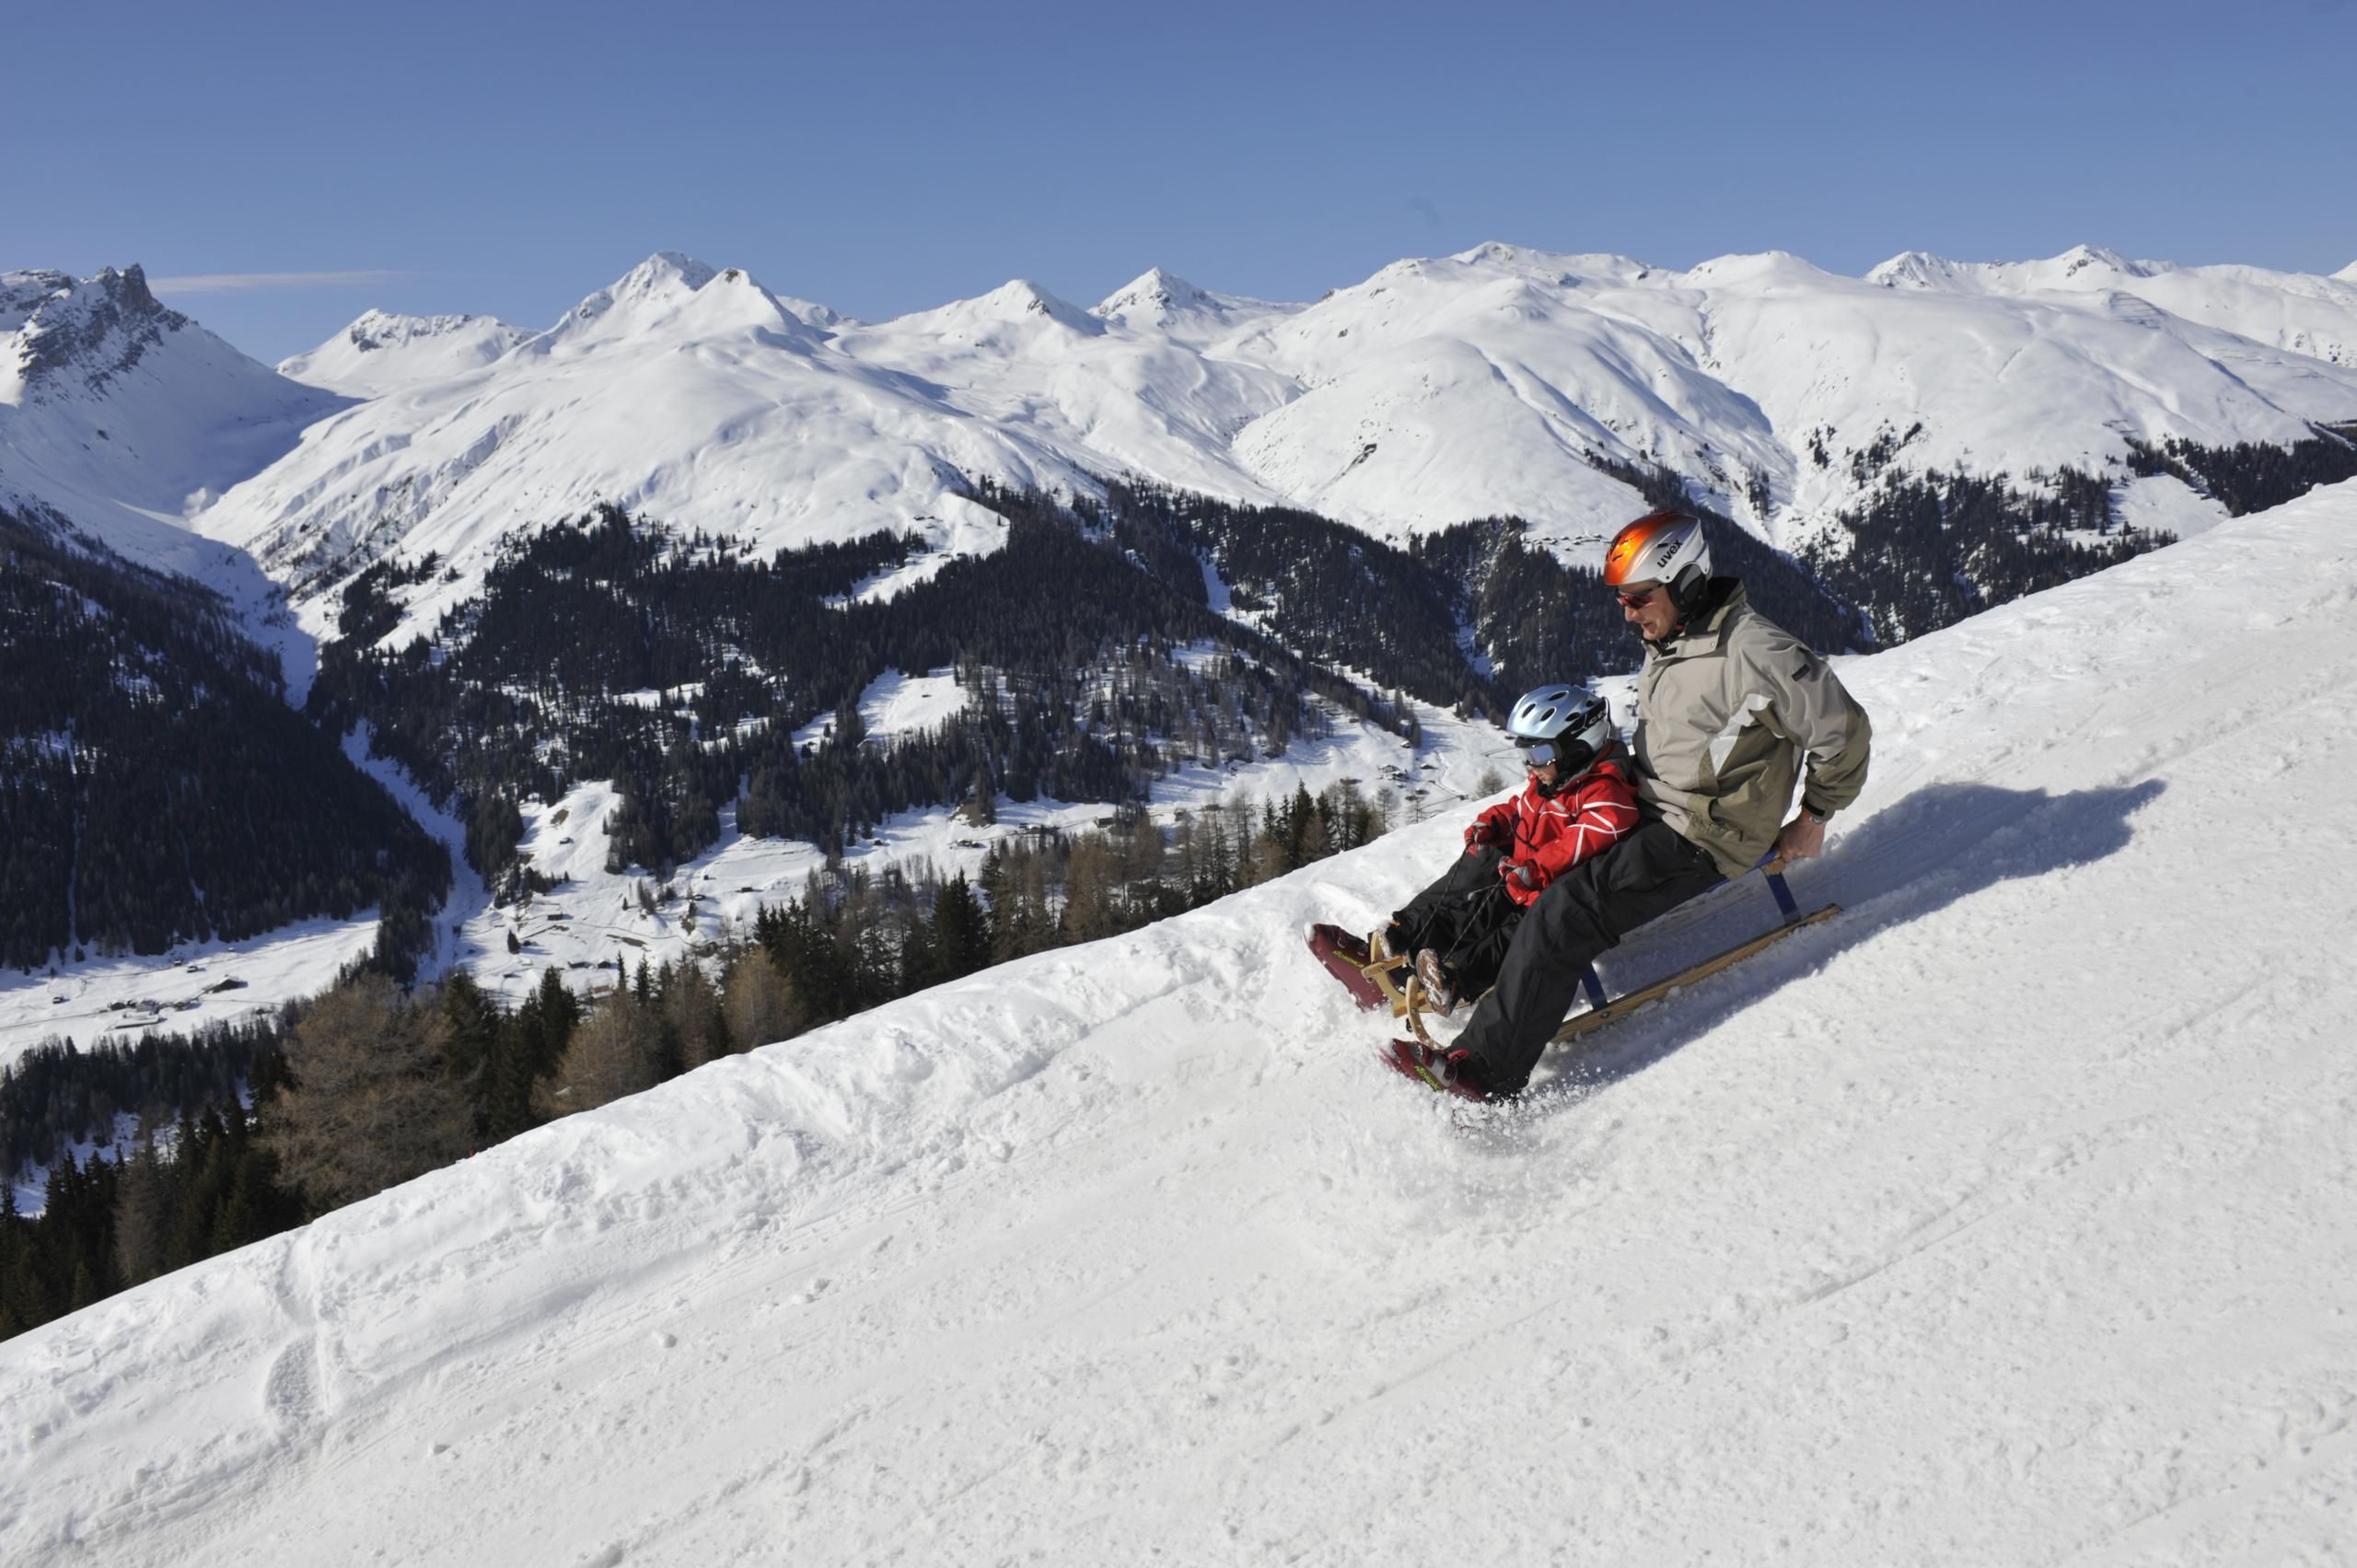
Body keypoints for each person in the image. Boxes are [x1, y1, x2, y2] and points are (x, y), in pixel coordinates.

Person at [1403, 507, 1873, 1102]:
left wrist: (1813, 816)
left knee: (1567, 906)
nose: (1626, 611)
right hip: (1650, 803)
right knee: (1523, 845)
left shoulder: (1759, 651)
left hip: (1705, 831)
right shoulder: (1675, 636)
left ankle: (1488, 1069)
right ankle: (1440, 959)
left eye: (1639, 597)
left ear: (1685, 581)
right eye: (1621, 599)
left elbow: (1844, 731)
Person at [1376, 684, 1640, 1015]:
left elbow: (1579, 842)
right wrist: (1493, 823)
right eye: (1525, 756)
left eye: (1539, 755)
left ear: (1577, 747)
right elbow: (1521, 810)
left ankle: (1455, 980)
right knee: (1472, 915)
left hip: (1551, 895)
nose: (1531, 767)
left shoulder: (1605, 794)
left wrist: (1535, 869)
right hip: (1521, 879)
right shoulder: (1553, 779)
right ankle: (1409, 950)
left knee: (1505, 940)